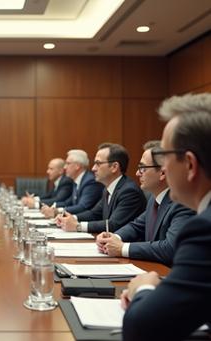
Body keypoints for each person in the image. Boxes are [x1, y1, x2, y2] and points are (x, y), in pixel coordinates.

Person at [122, 93, 211, 341]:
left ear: (190, 165)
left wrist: (145, 287)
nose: (164, 169)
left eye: (166, 159)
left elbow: (141, 328)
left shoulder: (205, 230)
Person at [96, 141, 195, 266]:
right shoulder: (154, 199)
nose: (137, 173)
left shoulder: (182, 202)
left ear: (163, 173)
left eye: (143, 168)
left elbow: (170, 248)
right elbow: (136, 226)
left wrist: (122, 248)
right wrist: (114, 237)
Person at [56, 143, 146, 233]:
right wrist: (71, 218)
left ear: (114, 167)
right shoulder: (107, 188)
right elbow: (94, 214)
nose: (93, 168)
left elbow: (113, 225)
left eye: (98, 163)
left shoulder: (129, 191)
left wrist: (78, 226)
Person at [41, 149, 104, 217]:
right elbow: (68, 202)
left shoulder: (91, 181)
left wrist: (57, 211)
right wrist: (52, 207)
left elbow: (82, 207)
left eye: (68, 163)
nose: (65, 167)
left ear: (78, 165)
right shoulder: (77, 180)